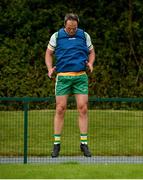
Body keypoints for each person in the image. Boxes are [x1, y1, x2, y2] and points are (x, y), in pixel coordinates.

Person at [45, 13, 95, 158]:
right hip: (63, 77)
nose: (72, 30)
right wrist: (49, 68)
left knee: (83, 108)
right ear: (65, 25)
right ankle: (56, 145)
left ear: (77, 25)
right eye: (69, 28)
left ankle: (84, 144)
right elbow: (48, 53)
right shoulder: (57, 36)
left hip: (80, 77)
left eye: (74, 28)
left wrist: (90, 63)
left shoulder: (84, 35)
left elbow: (92, 52)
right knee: (60, 109)